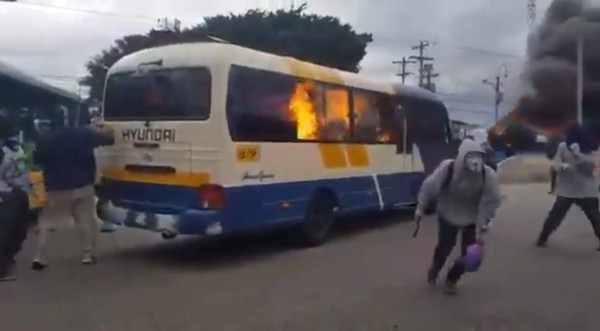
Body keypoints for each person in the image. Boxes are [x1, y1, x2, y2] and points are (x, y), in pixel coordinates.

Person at [415, 138, 502, 295]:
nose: (476, 161)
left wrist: (482, 225)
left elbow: (491, 200)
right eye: (471, 155)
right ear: (462, 156)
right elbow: (429, 186)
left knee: (469, 254)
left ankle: (452, 279)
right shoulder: (447, 168)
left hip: (472, 216)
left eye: (479, 156)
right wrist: (420, 208)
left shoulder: (487, 174)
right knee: (445, 246)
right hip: (448, 212)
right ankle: (435, 269)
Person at [31, 110, 115, 270]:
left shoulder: (45, 138)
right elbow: (109, 140)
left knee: (45, 222)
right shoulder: (84, 134)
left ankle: (40, 257)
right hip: (82, 186)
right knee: (85, 220)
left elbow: (37, 160)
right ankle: (87, 254)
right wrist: (107, 129)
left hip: (55, 187)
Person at [536, 123, 600, 250]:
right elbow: (556, 163)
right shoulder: (563, 146)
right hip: (567, 188)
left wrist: (578, 155)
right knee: (555, 215)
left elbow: (591, 168)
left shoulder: (591, 147)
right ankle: (542, 238)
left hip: (586, 189)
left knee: (594, 216)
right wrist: (561, 166)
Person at [0, 132, 35, 281]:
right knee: (6, 231)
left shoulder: (14, 148)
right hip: (7, 193)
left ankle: (7, 256)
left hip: (17, 192)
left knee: (18, 229)